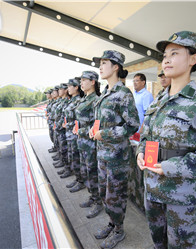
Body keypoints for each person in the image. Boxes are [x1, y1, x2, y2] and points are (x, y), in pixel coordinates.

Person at [136, 31, 196, 248]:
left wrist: (174, 167)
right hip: (153, 188)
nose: (167, 59)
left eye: (174, 53)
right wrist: (140, 152)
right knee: (158, 242)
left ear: (193, 59)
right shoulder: (158, 101)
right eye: (164, 56)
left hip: (183, 197)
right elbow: (146, 135)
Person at [89, 50, 140, 249]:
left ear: (116, 66)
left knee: (115, 196)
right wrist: (96, 132)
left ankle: (119, 230)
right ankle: (112, 223)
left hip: (117, 156)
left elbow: (133, 125)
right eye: (99, 64)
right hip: (103, 154)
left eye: (104, 63)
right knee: (104, 193)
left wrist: (106, 134)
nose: (100, 67)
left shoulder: (123, 94)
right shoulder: (106, 94)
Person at [73, 71, 103, 219]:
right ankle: (92, 196)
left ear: (93, 82)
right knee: (86, 172)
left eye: (84, 80)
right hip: (82, 143)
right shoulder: (84, 99)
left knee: (93, 174)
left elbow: (97, 125)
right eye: (81, 80)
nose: (81, 83)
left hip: (91, 144)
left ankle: (98, 202)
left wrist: (81, 130)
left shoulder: (96, 100)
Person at [60, 79, 85, 194]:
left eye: (70, 86)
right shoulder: (71, 101)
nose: (68, 88)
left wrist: (68, 124)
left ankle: (80, 181)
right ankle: (77, 179)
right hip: (69, 133)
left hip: (75, 134)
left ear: (76, 87)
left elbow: (78, 120)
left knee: (76, 159)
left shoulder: (79, 101)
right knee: (72, 158)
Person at [53, 83, 70, 170]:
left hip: (63, 129)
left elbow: (65, 116)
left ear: (65, 90)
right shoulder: (61, 101)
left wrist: (59, 125)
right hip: (59, 127)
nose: (58, 91)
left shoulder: (67, 101)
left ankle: (66, 166)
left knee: (64, 149)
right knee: (60, 146)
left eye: (60, 89)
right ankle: (62, 161)